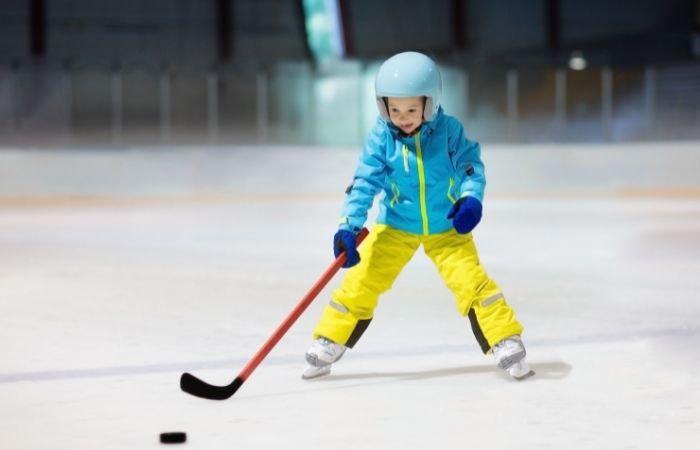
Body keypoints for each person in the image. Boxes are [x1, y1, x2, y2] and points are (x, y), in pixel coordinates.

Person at [302, 51, 534, 381]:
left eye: (412, 109)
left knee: (472, 282)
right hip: (396, 225)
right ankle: (330, 338)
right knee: (362, 280)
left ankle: (504, 339)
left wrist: (470, 200)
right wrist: (348, 226)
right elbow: (364, 183)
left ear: (431, 102)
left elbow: (471, 168)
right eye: (394, 109)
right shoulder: (381, 138)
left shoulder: (449, 132)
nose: (402, 117)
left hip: (446, 226)